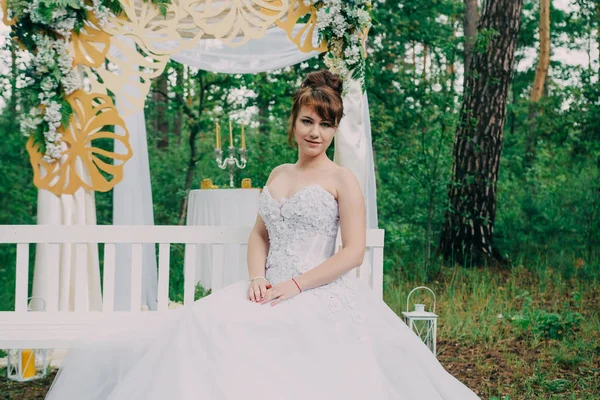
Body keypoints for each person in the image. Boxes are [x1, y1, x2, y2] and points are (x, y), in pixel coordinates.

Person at [45, 70, 480, 399]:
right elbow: (260, 236)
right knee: (204, 321)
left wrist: (295, 285)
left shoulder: (342, 180)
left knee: (257, 337)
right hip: (267, 288)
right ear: (294, 121)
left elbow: (352, 254)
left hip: (317, 291)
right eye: (308, 120)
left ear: (334, 130)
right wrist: (257, 278)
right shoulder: (278, 173)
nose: (316, 132)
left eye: (326, 125)